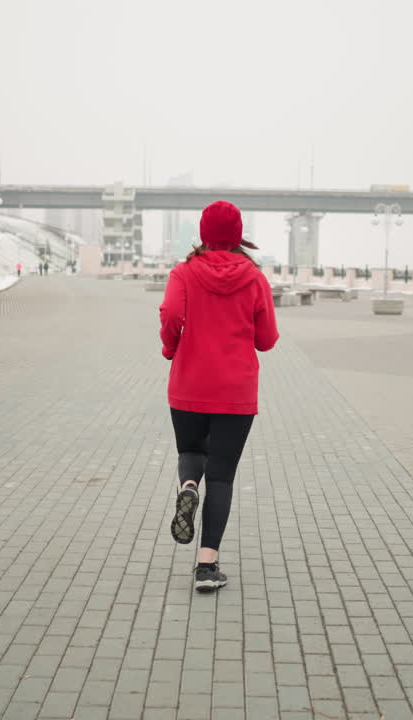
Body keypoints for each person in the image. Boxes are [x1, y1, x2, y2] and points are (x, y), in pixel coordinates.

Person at [159, 200, 279, 592]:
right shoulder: (255, 278)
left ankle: (188, 487)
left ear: (204, 233)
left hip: (189, 385)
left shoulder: (183, 272)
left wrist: (171, 347)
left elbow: (170, 313)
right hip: (235, 391)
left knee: (191, 453)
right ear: (237, 234)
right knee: (223, 477)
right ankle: (207, 567)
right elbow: (267, 340)